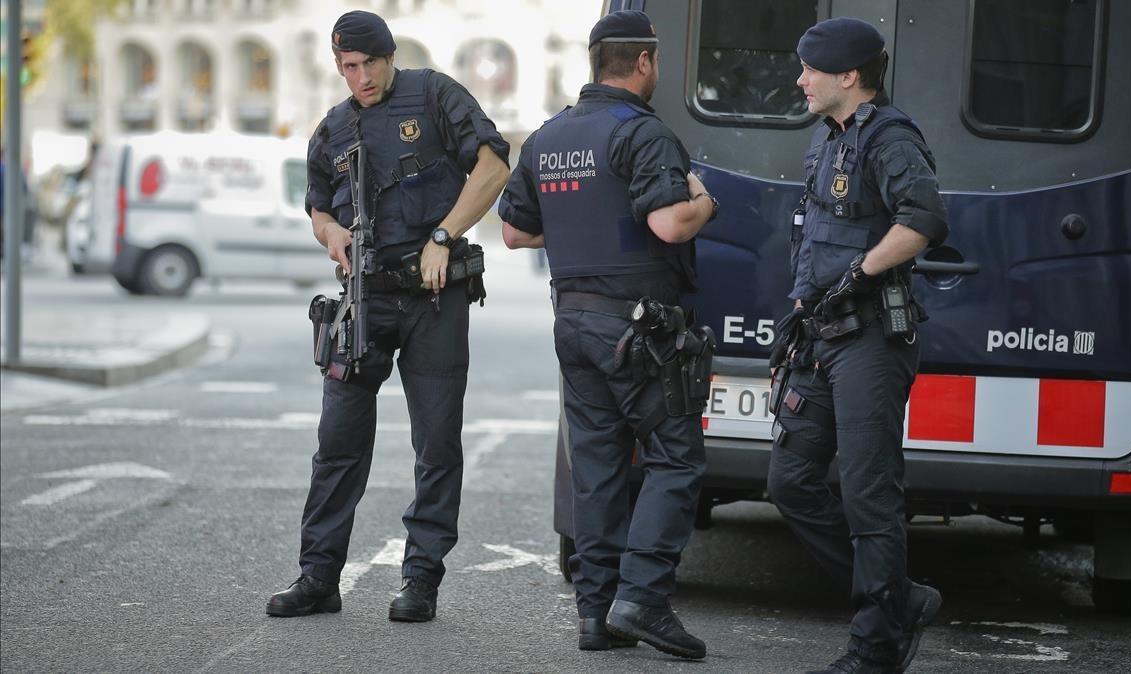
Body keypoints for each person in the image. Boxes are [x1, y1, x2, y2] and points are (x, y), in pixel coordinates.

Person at [266, 10, 510, 622]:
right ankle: (319, 577)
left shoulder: (433, 95)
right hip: (363, 301)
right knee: (337, 442)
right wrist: (330, 234)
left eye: (369, 63)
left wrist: (445, 235)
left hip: (433, 297)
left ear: (389, 55)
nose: (361, 76)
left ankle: (420, 582)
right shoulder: (335, 126)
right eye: (348, 66)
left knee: (435, 445)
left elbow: (493, 167)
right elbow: (317, 206)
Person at [499, 10, 717, 661]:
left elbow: (514, 231)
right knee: (675, 458)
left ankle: (596, 616)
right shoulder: (642, 134)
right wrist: (704, 199)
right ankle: (643, 597)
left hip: (573, 323)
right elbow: (671, 225)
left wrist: (581, 225)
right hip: (638, 328)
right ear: (644, 62)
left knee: (596, 472)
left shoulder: (549, 136)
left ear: (596, 63)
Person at [767, 17, 950, 674]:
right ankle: (897, 597)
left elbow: (925, 219)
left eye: (809, 69)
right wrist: (796, 312)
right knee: (789, 482)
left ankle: (874, 647)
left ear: (848, 76)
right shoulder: (827, 139)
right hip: (821, 337)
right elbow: (814, 236)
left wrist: (862, 272)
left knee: (868, 494)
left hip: (871, 339)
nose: (800, 80)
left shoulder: (891, 139)